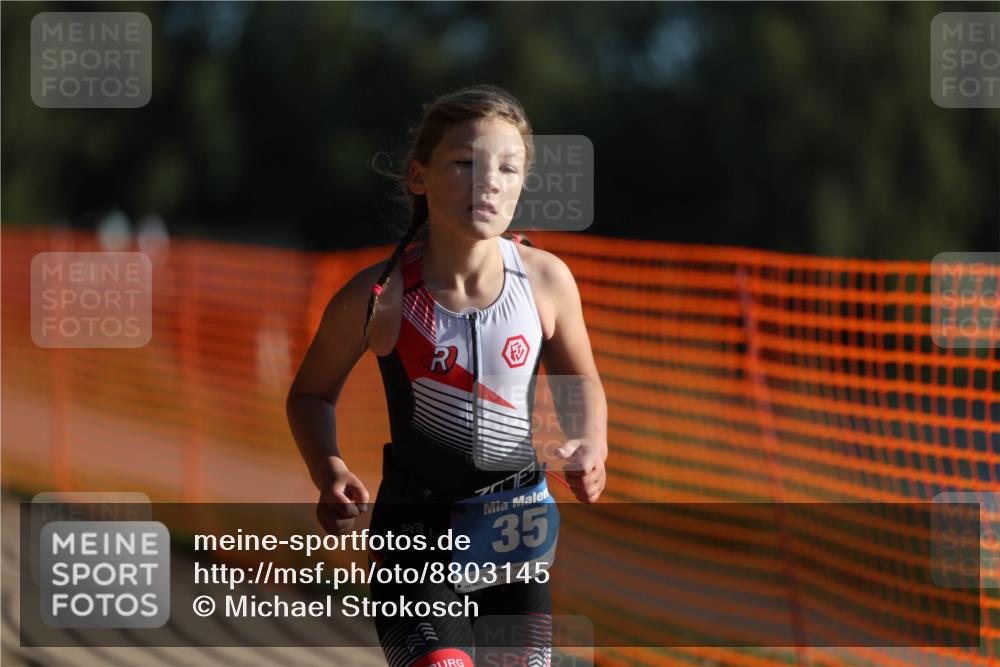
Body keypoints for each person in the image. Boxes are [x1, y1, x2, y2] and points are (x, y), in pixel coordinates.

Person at [287, 84, 607, 667]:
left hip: (519, 535)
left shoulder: (546, 281)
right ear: (419, 177)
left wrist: (592, 443)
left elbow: (580, 380)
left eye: (508, 168)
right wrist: (328, 470)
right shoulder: (380, 297)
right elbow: (310, 393)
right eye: (464, 162)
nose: (488, 180)